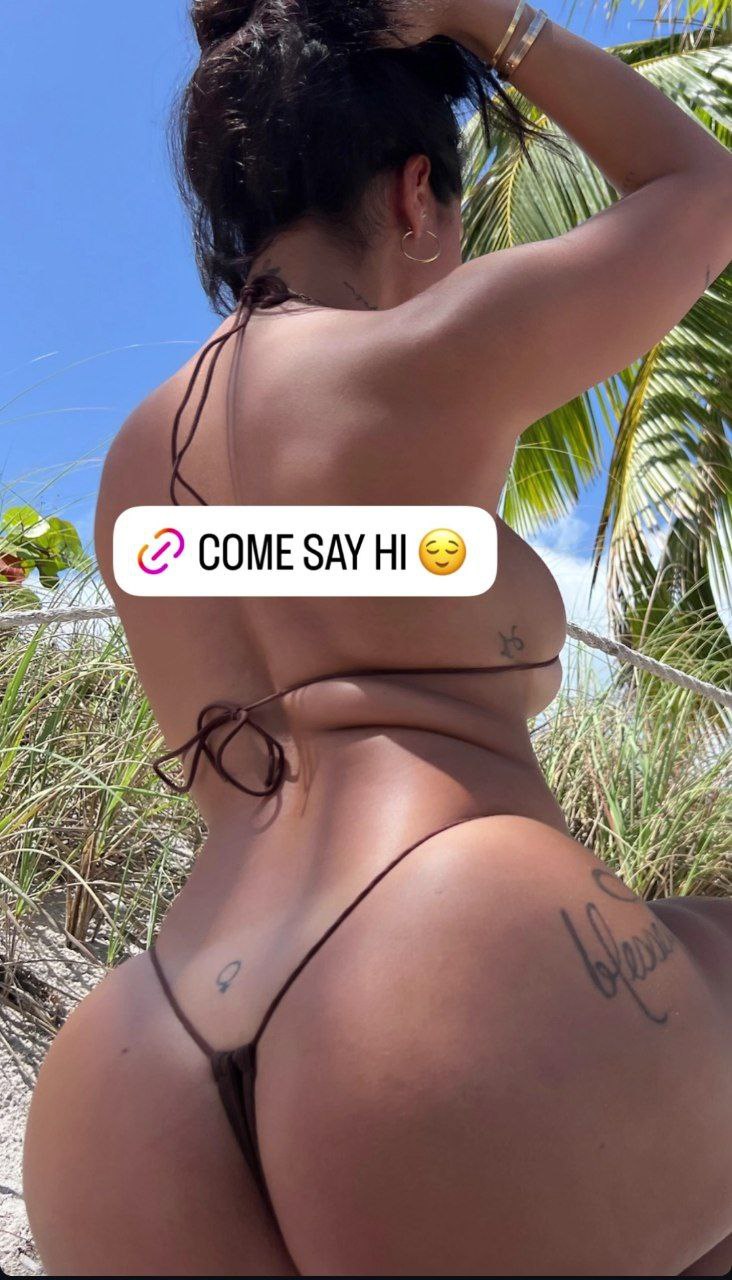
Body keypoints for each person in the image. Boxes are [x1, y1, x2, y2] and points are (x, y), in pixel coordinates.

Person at [22, 1, 732, 1274]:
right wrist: (484, 19)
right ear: (417, 197)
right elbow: (703, 188)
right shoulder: (424, 353)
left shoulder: (134, 464)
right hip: (436, 967)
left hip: (141, 1059)